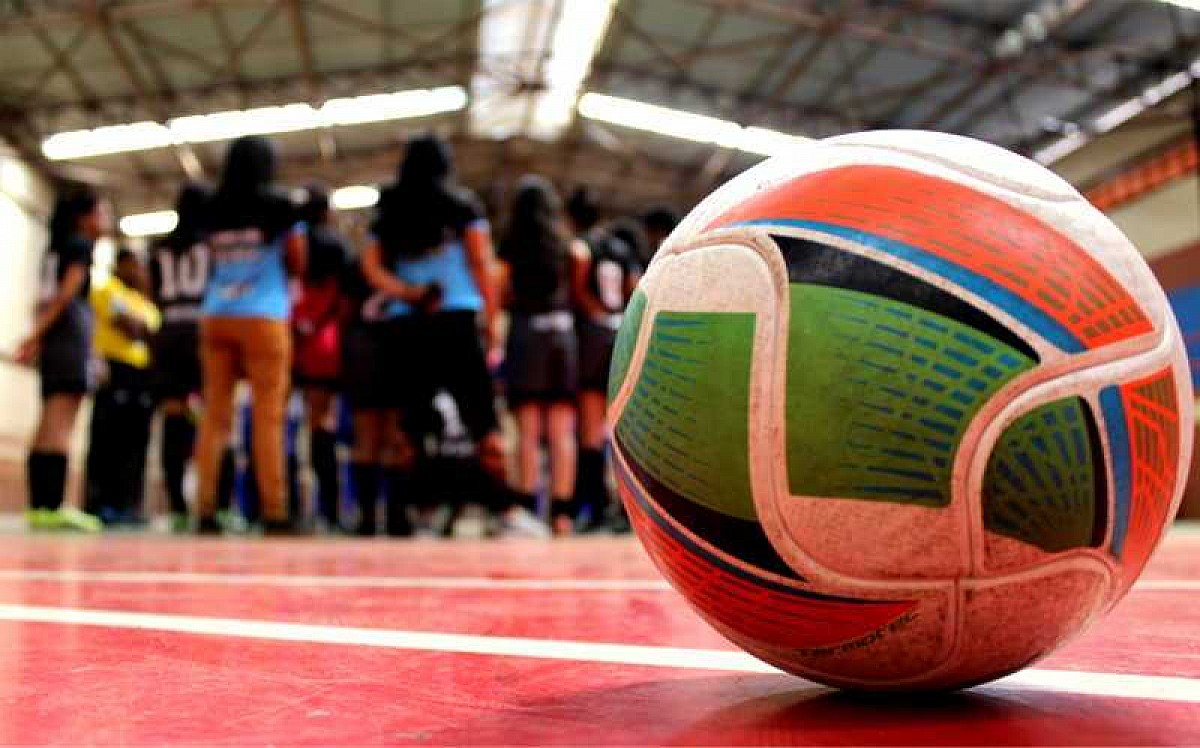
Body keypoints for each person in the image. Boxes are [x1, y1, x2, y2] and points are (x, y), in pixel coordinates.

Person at [360, 133, 506, 537]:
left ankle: (402, 515)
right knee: (482, 417)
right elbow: (480, 262)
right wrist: (492, 320)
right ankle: (502, 509)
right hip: (456, 320)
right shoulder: (462, 207)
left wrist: (407, 292)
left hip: (406, 324)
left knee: (408, 424)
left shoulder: (389, 211)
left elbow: (371, 268)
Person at [193, 135, 306, 535]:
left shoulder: (210, 207)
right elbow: (297, 260)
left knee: (215, 417)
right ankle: (273, 512)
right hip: (264, 314)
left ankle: (204, 510)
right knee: (267, 416)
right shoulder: (281, 206)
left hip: (216, 313)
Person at [498, 176, 591, 536]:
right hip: (562, 333)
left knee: (528, 426)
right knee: (562, 428)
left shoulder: (514, 243)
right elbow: (580, 270)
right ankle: (562, 514)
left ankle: (525, 509)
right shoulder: (567, 244)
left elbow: (498, 284)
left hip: (527, 330)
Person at [16, 186, 107, 532]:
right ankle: (53, 505)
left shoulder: (52, 249)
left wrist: (36, 334)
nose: (105, 220)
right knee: (62, 421)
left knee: (46, 421)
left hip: (53, 338)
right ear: (84, 217)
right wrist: (36, 334)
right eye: (101, 212)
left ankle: (40, 505)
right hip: (68, 337)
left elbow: (44, 298)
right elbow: (67, 293)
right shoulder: (80, 247)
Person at [150, 182, 229, 532]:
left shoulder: (159, 247)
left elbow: (154, 294)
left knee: (173, 418)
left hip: (167, 336)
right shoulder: (210, 246)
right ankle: (217, 503)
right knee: (213, 418)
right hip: (200, 334)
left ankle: (178, 506)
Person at [567, 190, 643, 531]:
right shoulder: (620, 249)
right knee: (622, 426)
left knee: (590, 429)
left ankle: (594, 507)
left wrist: (593, 311)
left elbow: (576, 288)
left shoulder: (580, 246)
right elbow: (636, 287)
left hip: (592, 337)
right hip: (619, 334)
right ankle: (628, 509)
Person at [84, 248, 161, 526]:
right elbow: (127, 327)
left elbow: (153, 336)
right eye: (135, 265)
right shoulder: (108, 290)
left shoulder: (146, 304)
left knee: (136, 443)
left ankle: (128, 505)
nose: (140, 271)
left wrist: (139, 328)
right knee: (107, 440)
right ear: (122, 265)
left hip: (141, 376)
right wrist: (139, 328)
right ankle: (99, 503)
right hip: (114, 370)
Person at [292, 184, 349, 531]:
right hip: (325, 342)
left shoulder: (295, 245)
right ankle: (329, 510)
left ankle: (296, 508)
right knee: (322, 420)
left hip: (294, 335)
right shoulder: (337, 246)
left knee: (290, 425)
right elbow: (344, 298)